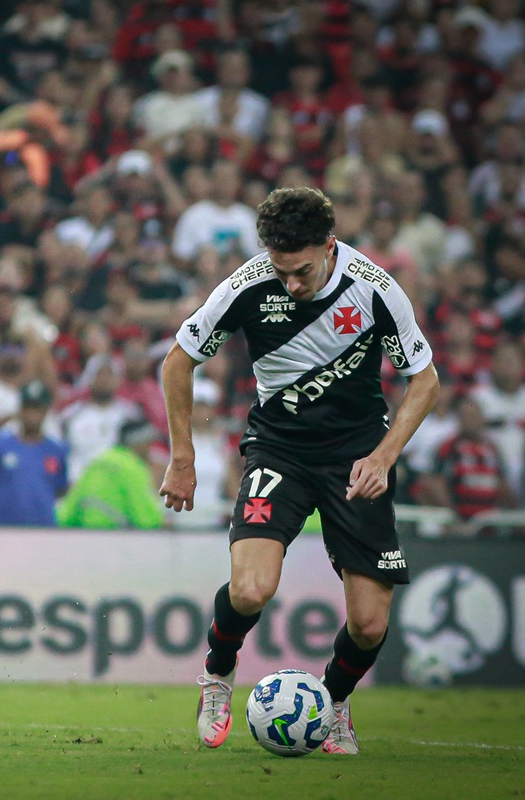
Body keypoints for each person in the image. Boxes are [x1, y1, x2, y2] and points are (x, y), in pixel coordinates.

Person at [159, 187, 439, 755]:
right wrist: (182, 457)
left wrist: (384, 456)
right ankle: (216, 676)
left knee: (369, 625)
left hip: (356, 458)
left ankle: (332, 702)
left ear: (329, 246)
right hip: (279, 450)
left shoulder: (376, 289)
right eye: (281, 270)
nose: (290, 282)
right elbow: (178, 360)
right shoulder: (246, 285)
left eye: (302, 270)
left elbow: (426, 380)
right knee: (251, 589)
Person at [0, 380, 69, 526]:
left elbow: (60, 490)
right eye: (28, 408)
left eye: (37, 409)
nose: (32, 414)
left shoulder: (57, 450)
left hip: (44, 531)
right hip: (3, 529)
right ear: (20, 409)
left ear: (45, 412)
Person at [58, 417, 165, 530]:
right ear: (139, 444)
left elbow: (65, 516)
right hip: (117, 539)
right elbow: (147, 520)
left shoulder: (96, 463)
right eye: (148, 444)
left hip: (85, 536)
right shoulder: (133, 468)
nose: (150, 450)